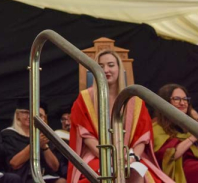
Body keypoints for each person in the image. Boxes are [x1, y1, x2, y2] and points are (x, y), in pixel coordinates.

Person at [68, 49, 172, 183]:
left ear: (119, 69)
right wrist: (111, 158)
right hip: (98, 155)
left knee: (139, 174)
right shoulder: (84, 98)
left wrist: (133, 157)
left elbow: (142, 137)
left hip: (130, 156)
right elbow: (86, 136)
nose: (106, 70)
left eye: (111, 65)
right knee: (102, 175)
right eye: (100, 66)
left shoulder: (135, 100)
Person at [153, 83, 198, 182]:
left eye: (185, 99)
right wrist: (193, 137)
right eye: (177, 99)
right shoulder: (157, 127)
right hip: (180, 169)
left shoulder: (191, 125)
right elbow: (169, 156)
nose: (182, 103)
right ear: (165, 101)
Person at [1, 98, 65, 183]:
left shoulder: (43, 135)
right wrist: (35, 144)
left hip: (44, 177)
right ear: (18, 115)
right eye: (26, 112)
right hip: (22, 178)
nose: (29, 117)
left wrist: (44, 147)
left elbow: (55, 167)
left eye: (36, 114)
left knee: (61, 181)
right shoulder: (9, 135)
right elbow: (14, 164)